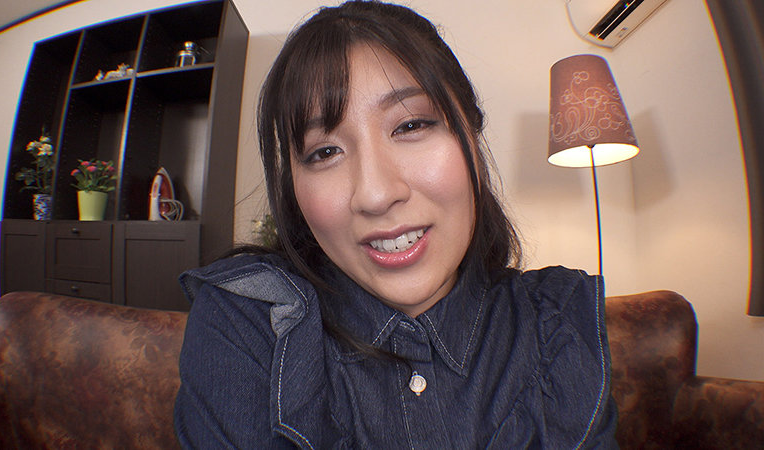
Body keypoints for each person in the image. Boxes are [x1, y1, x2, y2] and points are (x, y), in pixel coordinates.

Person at [174, 1, 618, 448]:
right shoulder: (246, 322)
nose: (375, 194)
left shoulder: (558, 321)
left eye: (410, 125)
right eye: (324, 152)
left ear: (471, 133)